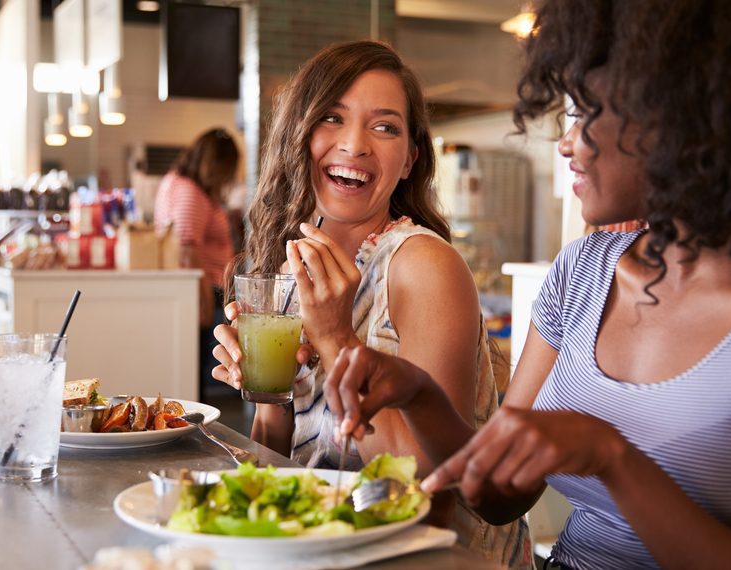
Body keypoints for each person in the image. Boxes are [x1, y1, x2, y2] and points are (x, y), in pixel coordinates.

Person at [324, 1, 731, 568]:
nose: (566, 144)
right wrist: (419, 393)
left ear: (682, 117)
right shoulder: (583, 271)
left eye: (586, 112)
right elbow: (495, 498)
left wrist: (612, 457)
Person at [210, 41, 532, 567]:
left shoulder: (424, 266)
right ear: (301, 135)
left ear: (409, 160)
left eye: (384, 127)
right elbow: (284, 456)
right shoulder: (293, 268)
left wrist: (338, 340)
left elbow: (424, 485)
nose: (355, 144)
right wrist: (266, 389)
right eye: (332, 118)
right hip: (333, 546)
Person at [154, 128, 239, 394]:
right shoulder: (190, 191)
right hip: (204, 292)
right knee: (199, 373)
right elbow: (189, 250)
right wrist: (202, 304)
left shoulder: (179, 183)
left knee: (198, 371)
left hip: (202, 290)